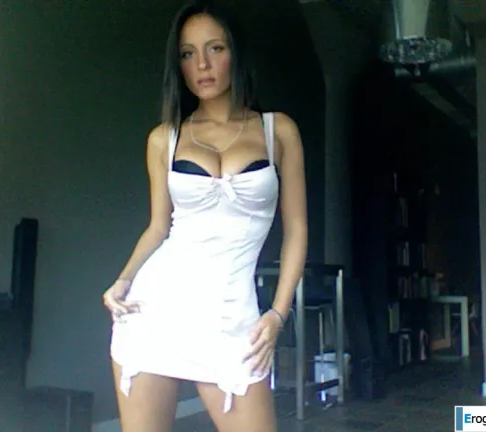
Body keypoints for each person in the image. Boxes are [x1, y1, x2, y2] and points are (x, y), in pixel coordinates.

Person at [102, 1, 307, 431]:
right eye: (188, 53)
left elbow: (297, 230)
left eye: (215, 48)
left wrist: (277, 313)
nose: (202, 64)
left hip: (232, 318)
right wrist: (122, 281)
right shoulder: (164, 139)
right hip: (155, 309)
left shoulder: (279, 131)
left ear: (236, 53)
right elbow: (158, 227)